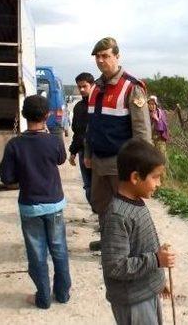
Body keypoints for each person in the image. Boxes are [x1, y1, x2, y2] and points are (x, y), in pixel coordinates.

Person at [0, 95, 71, 309]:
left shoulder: (14, 145)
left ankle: (43, 298)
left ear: (23, 115)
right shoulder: (53, 141)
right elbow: (61, 159)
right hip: (55, 204)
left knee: (37, 253)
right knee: (59, 249)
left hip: (30, 206)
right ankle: (63, 294)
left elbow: (7, 177)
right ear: (47, 115)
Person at [84, 37, 152, 251]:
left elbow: (141, 131)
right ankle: (108, 241)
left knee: (125, 206)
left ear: (117, 56)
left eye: (105, 56)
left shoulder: (132, 87)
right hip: (98, 160)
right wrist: (88, 153)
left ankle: (132, 246)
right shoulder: (95, 87)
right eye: (97, 56)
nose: (101, 60)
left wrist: (141, 165)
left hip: (121, 161)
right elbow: (91, 125)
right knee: (101, 204)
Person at [101, 138, 175, 324]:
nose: (159, 183)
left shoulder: (137, 202)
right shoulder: (118, 215)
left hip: (145, 291)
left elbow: (143, 248)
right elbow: (115, 266)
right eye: (155, 177)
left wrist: (158, 282)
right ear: (135, 178)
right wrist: (156, 259)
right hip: (133, 300)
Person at [69, 72, 94, 205]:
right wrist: (73, 152)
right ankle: (96, 212)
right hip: (83, 152)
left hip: (98, 152)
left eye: (85, 86)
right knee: (88, 185)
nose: (82, 89)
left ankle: (103, 215)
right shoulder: (78, 107)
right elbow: (77, 132)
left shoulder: (100, 105)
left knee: (101, 185)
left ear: (92, 85)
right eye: (80, 87)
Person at [147, 95, 170, 162]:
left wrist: (156, 119)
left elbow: (164, 127)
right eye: (150, 104)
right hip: (150, 140)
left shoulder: (160, 113)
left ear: (156, 105)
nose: (152, 106)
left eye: (154, 104)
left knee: (162, 159)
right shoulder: (146, 114)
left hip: (160, 139)